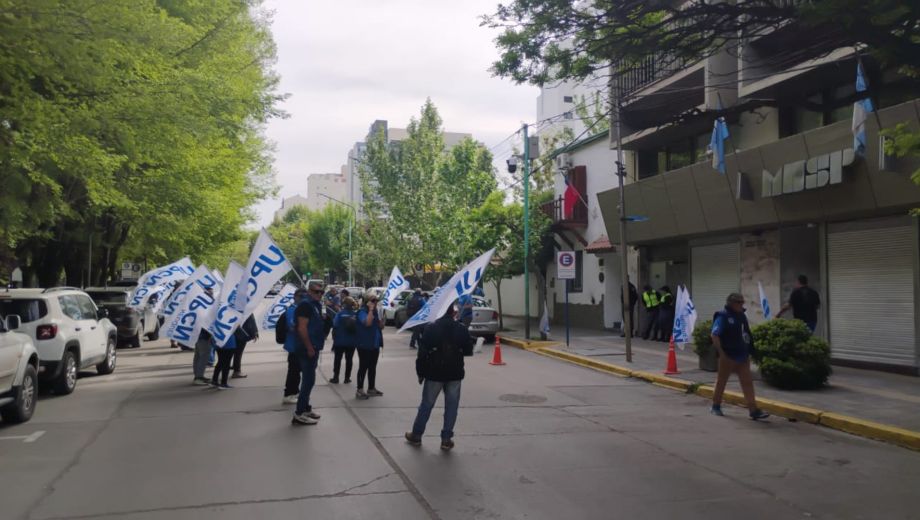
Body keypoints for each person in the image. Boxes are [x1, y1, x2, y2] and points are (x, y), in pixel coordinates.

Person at [405, 305, 474, 451]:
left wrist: (420, 373)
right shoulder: (461, 328)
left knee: (426, 404)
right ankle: (446, 439)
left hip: (434, 372)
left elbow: (422, 353)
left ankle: (417, 435)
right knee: (452, 406)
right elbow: (468, 350)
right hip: (454, 372)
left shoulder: (431, 328)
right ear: (453, 312)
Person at [710, 293, 770, 420]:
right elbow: (715, 335)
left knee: (747, 382)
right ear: (731, 303)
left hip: (742, 354)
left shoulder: (741, 316)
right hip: (728, 355)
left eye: (742, 302)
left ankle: (753, 410)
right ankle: (715, 406)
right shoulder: (723, 316)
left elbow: (746, 333)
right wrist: (722, 354)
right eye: (739, 302)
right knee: (722, 381)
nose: (742, 304)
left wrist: (750, 350)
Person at [286, 282, 327, 425]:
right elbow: (302, 328)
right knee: (308, 380)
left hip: (314, 346)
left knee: (310, 380)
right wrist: (309, 347)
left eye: (322, 292)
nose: (319, 294)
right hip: (306, 348)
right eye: (316, 292)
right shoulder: (305, 305)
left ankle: (305, 408)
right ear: (309, 291)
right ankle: (299, 413)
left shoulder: (315, 305)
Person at [355, 294, 385, 399]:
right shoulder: (362, 312)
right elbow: (367, 323)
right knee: (363, 367)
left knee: (372, 367)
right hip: (364, 344)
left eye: (376, 301)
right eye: (373, 301)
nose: (375, 302)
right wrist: (371, 310)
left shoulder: (376, 312)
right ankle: (359, 389)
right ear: (367, 302)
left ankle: (371, 388)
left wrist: (382, 318)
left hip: (374, 344)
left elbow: (381, 326)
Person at [282, 288, 308, 404]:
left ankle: (294, 392)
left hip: (300, 346)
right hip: (294, 346)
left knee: (297, 372)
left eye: (305, 296)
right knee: (293, 371)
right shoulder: (292, 310)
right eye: (301, 296)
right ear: (295, 297)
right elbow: (293, 326)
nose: (303, 298)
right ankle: (289, 394)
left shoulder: (302, 310)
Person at [330, 297, 359, 384]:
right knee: (349, 360)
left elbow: (334, 324)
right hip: (351, 342)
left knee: (337, 359)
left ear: (344, 304)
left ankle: (336, 377)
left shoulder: (340, 314)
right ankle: (347, 378)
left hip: (339, 341)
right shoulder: (355, 315)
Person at [231, 314, 258, 379]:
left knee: (231, 353)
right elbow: (251, 322)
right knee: (238, 353)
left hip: (233, 333)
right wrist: (254, 333)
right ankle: (237, 371)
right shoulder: (247, 308)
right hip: (242, 334)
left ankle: (233, 368)